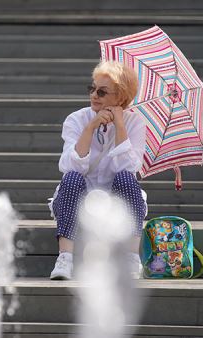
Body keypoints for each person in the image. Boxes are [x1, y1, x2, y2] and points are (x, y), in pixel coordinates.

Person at [48, 60, 147, 280]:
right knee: (72, 177)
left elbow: (129, 168)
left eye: (102, 92)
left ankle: (132, 258)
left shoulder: (135, 123)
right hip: (80, 196)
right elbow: (69, 166)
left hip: (115, 203)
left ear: (120, 97)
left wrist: (120, 126)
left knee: (125, 178)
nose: (94, 95)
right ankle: (65, 258)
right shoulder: (76, 119)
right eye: (91, 88)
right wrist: (90, 128)